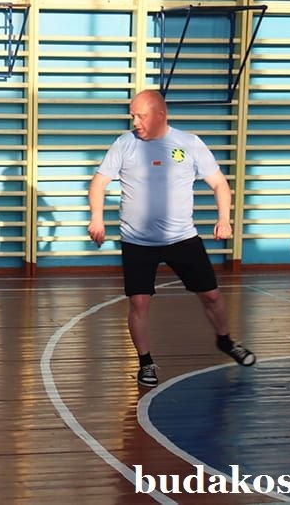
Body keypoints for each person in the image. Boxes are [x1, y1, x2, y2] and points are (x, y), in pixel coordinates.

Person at [87, 89, 256, 387]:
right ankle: (146, 362)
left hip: (182, 239)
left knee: (212, 295)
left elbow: (219, 183)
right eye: (133, 116)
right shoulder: (124, 144)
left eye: (141, 116)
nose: (135, 122)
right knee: (139, 303)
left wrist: (224, 218)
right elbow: (99, 183)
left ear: (160, 114)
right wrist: (97, 218)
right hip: (137, 242)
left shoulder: (188, 143)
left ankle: (226, 340)